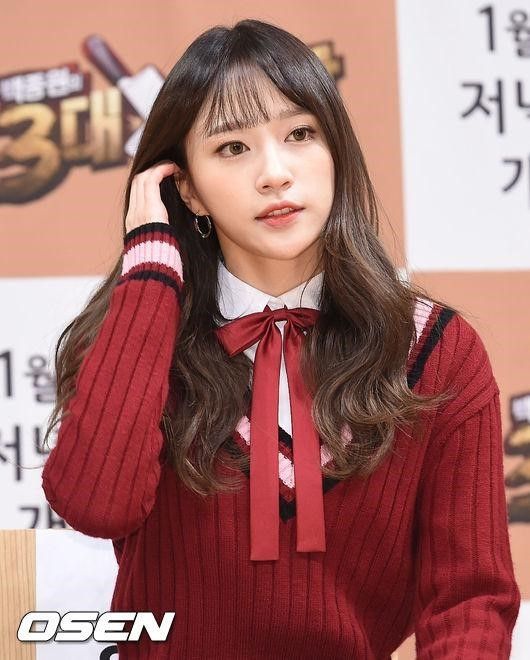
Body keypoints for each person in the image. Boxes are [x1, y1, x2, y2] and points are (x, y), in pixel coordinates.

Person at [41, 18, 520, 659]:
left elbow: (470, 600)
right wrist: (151, 269)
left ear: (335, 152)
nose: (274, 173)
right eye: (232, 147)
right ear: (187, 188)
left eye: (299, 134)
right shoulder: (141, 336)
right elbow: (95, 506)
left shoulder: (433, 350)